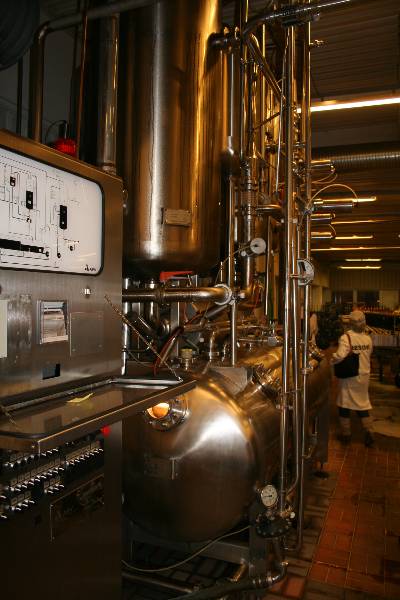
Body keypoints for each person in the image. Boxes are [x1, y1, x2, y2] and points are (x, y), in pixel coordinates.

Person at [331, 310, 374, 446]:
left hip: (350, 377)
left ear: (350, 323)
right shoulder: (368, 339)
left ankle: (346, 434)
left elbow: (340, 355)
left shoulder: (346, 338)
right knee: (362, 404)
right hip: (364, 375)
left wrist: (332, 359)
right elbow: (369, 354)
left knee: (344, 404)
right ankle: (369, 431)